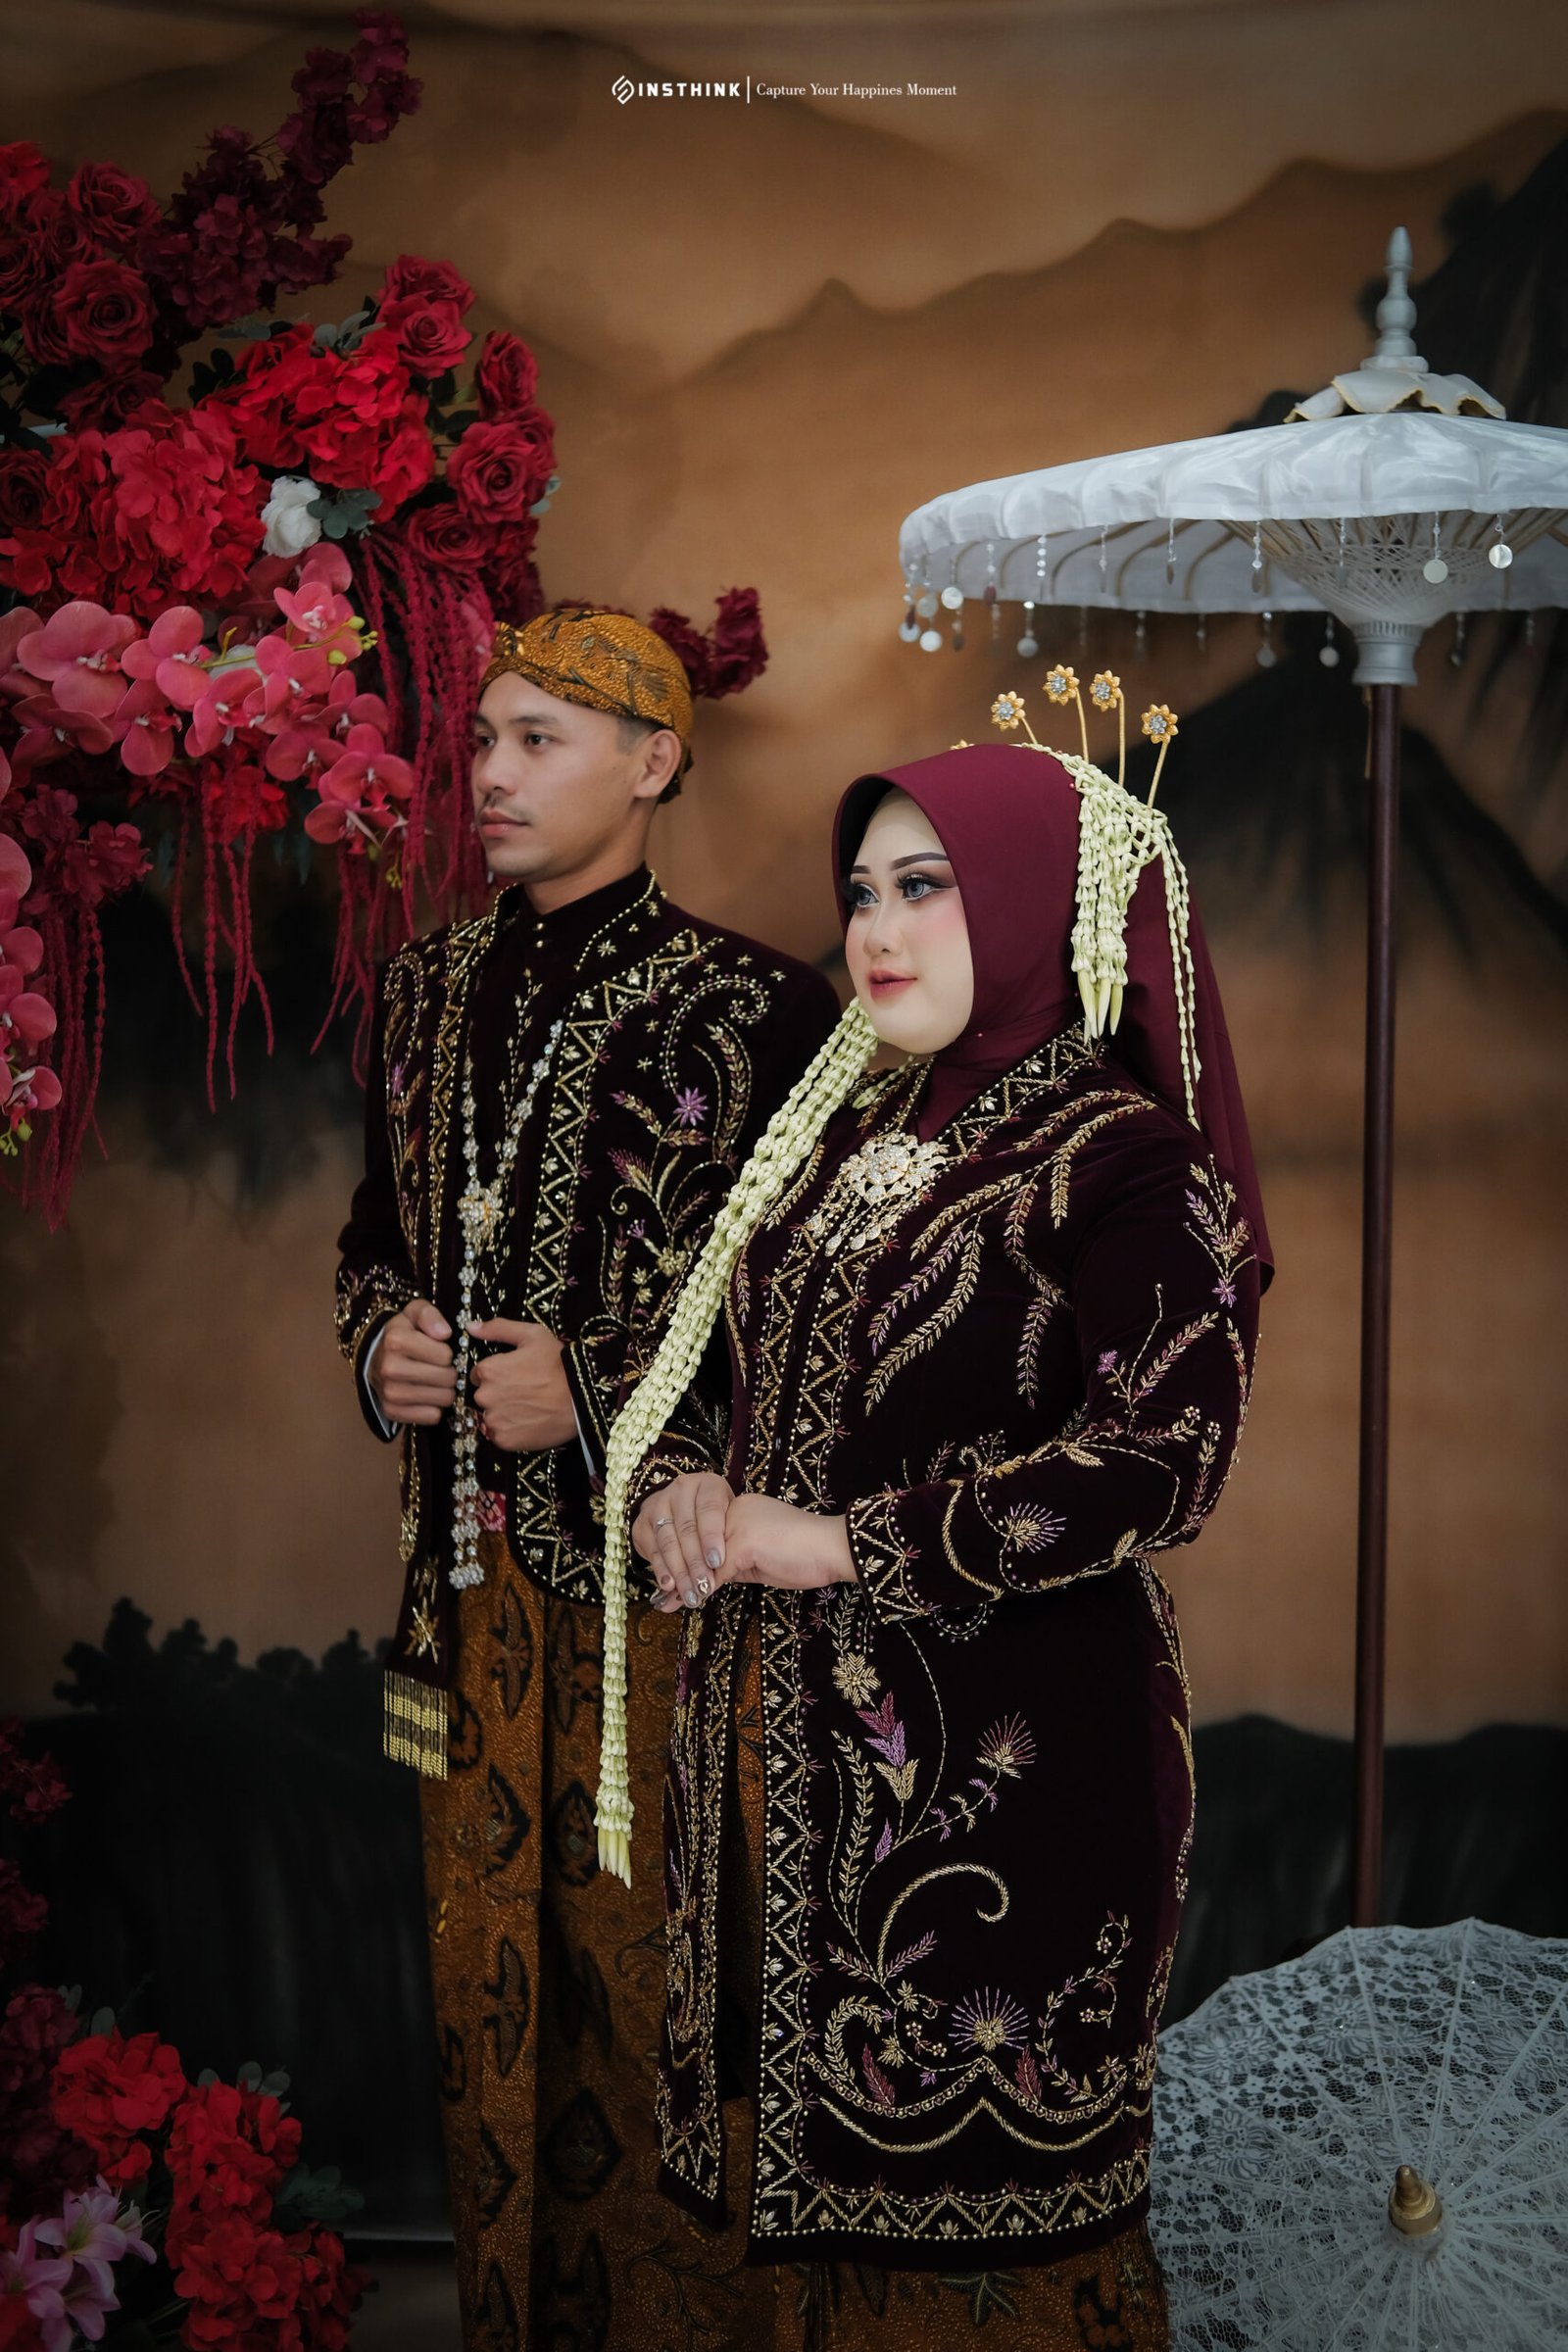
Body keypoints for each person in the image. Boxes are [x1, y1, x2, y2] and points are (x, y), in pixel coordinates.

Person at [612, 712, 1271, 2348]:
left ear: (1043, 901)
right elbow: (707, 1364)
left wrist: (834, 1545)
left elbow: (1162, 1463)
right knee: (770, 2248)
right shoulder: (845, 1130)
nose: (877, 928)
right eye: (862, 892)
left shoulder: (1126, 1163)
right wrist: (681, 1481)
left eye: (928, 884)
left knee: (971, 2272)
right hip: (765, 1776)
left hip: (1005, 1795)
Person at [333, 600, 840, 2345]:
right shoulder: (422, 993)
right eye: (482, 740)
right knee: (488, 1993)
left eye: (537, 741)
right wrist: (384, 1349)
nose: (489, 773)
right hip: (461, 1602)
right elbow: (372, 1242)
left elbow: (817, 1320)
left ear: (653, 762)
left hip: (661, 1624)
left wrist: (605, 1389)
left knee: (660, 2010)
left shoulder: (764, 1010)